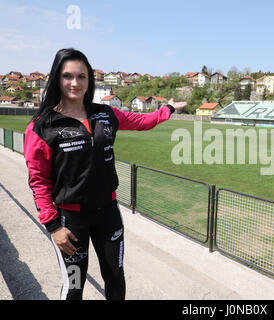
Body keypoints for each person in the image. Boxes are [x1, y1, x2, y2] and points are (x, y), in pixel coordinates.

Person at [24, 48, 186, 300]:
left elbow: (142, 121)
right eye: (67, 76)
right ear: (56, 78)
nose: (75, 83)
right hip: (70, 220)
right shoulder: (41, 127)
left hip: (108, 214)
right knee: (74, 287)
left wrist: (168, 110)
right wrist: (54, 226)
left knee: (115, 278)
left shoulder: (106, 114)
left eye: (82, 76)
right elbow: (38, 180)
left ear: (90, 80)